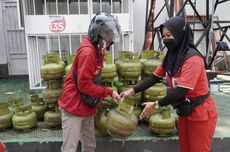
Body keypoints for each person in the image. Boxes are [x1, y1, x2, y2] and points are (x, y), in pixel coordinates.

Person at [120, 16, 218, 152]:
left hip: (201, 113)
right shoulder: (171, 56)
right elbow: (154, 78)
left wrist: (155, 105)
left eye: (169, 35)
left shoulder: (193, 59)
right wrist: (133, 90)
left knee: (198, 149)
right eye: (164, 36)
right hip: (184, 110)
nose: (166, 39)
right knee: (186, 148)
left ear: (180, 34)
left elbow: (181, 91)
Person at [58, 12, 121, 152]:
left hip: (86, 105)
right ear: (96, 33)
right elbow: (84, 85)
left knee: (90, 145)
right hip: (74, 106)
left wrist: (99, 98)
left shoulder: (98, 50)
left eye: (111, 34)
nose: (110, 39)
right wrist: (109, 92)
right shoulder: (88, 53)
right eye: (107, 34)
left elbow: (94, 79)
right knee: (69, 148)